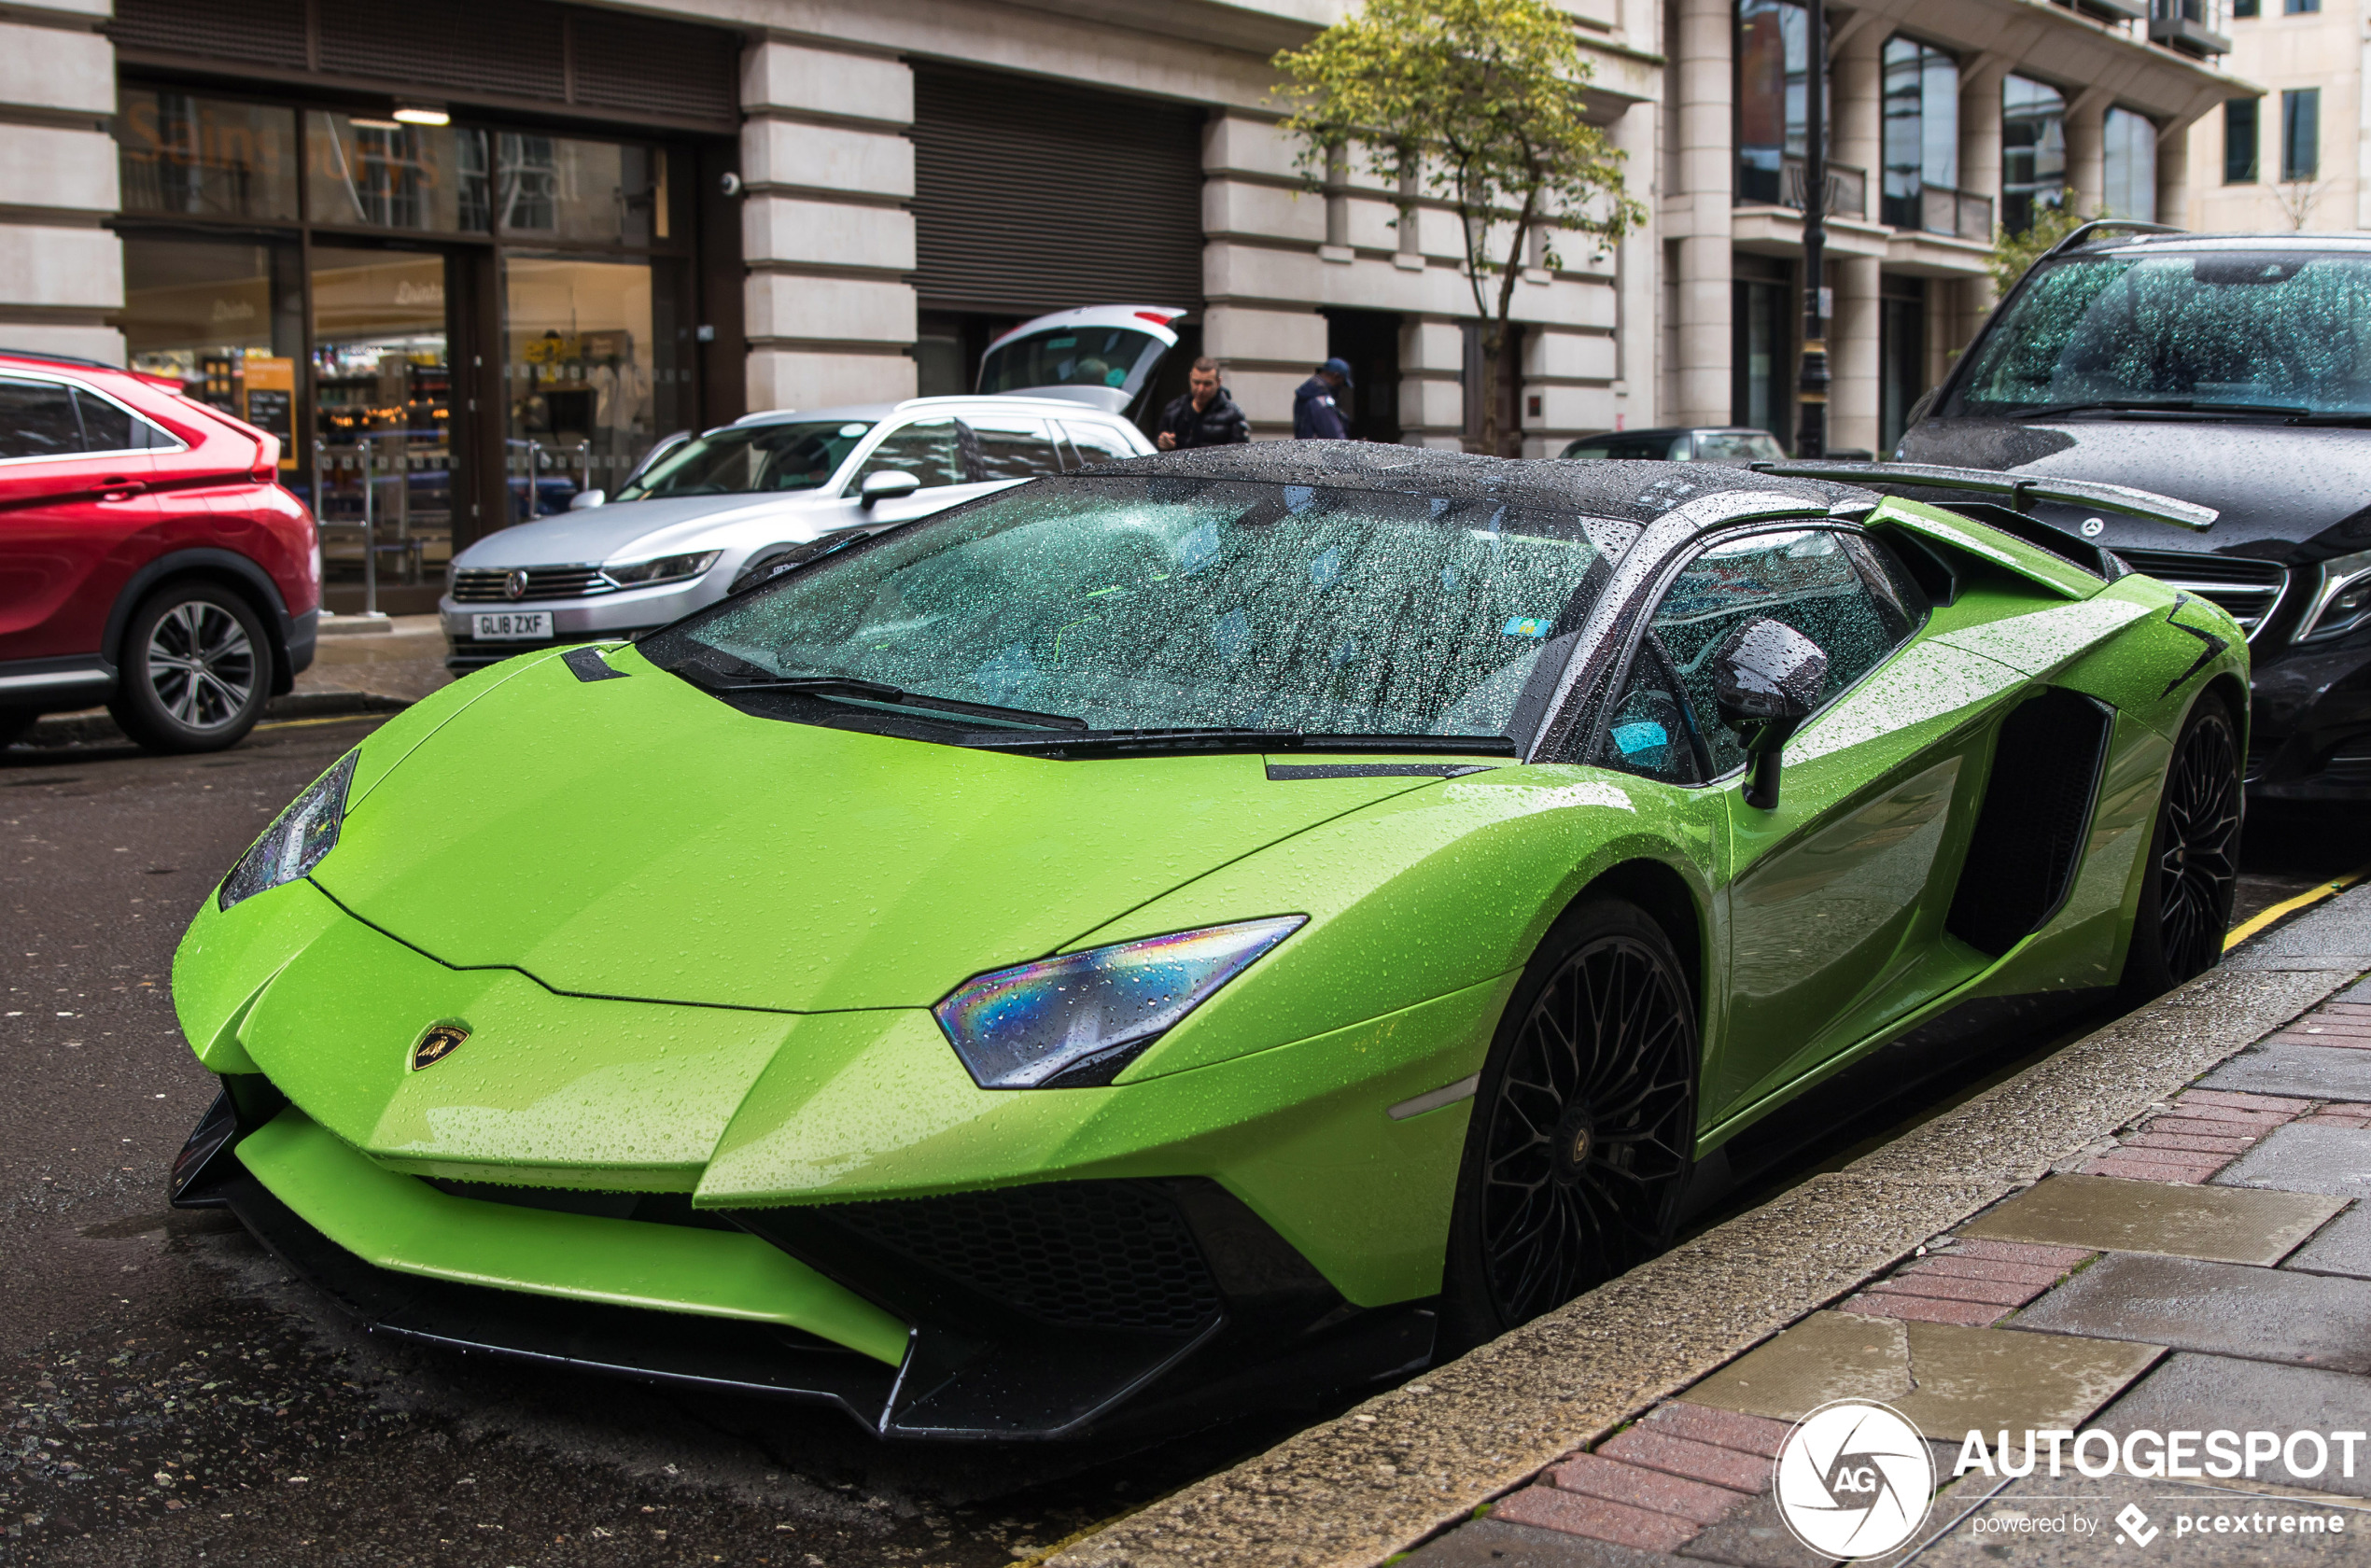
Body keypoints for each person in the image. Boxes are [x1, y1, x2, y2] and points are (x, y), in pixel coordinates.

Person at [1156, 357, 1250, 449]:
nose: (1201, 389)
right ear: (1190, 378)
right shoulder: (1174, 410)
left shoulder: (1233, 415)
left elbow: (1240, 454)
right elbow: (1158, 446)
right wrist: (1163, 444)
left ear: (1218, 382)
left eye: (1207, 384)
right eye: (1196, 382)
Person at [1294, 357, 1354, 440]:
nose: (1341, 387)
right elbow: (1334, 437)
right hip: (1319, 451)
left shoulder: (1305, 396)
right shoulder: (1322, 402)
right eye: (1342, 382)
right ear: (1336, 376)